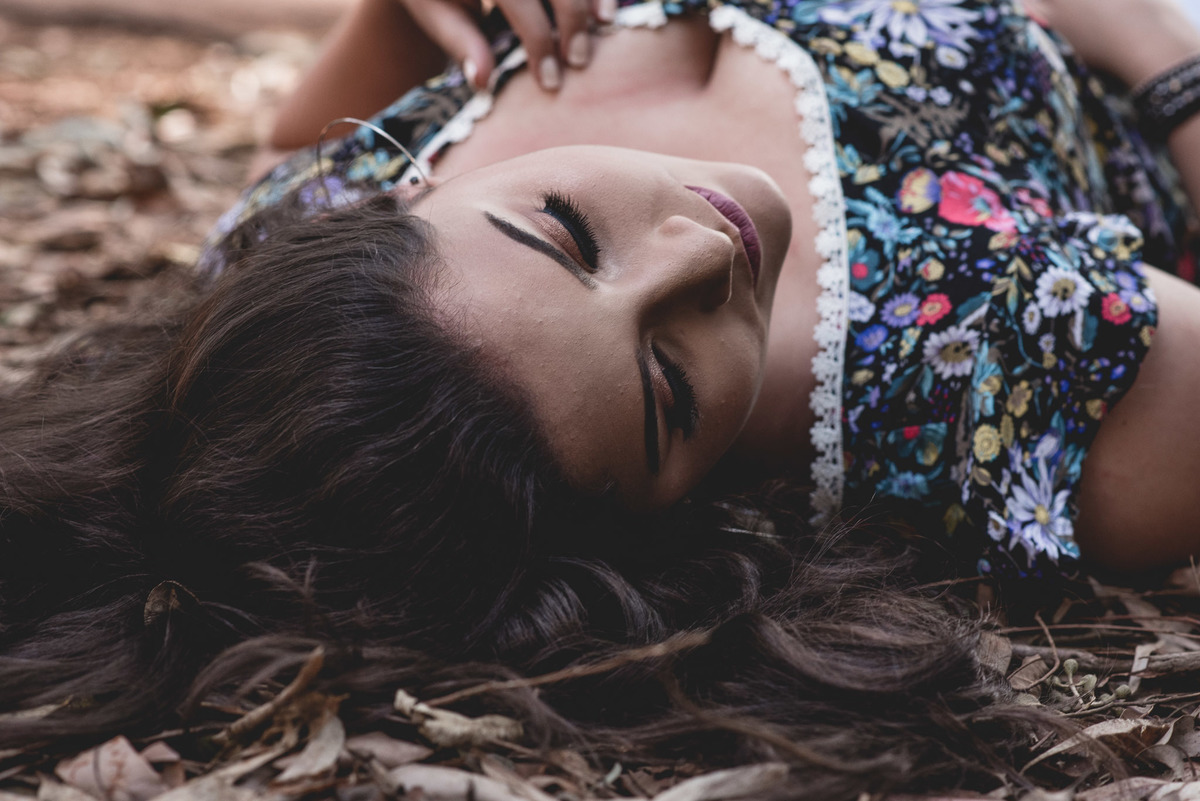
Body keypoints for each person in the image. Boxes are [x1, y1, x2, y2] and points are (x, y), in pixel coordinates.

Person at [0, 0, 1198, 795]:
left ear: (393, 204)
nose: (699, 254)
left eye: (565, 231)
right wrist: (1157, 53)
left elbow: (288, 143)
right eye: (668, 388)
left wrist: (397, 15)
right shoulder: (984, 368)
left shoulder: (312, 261)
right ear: (670, 520)